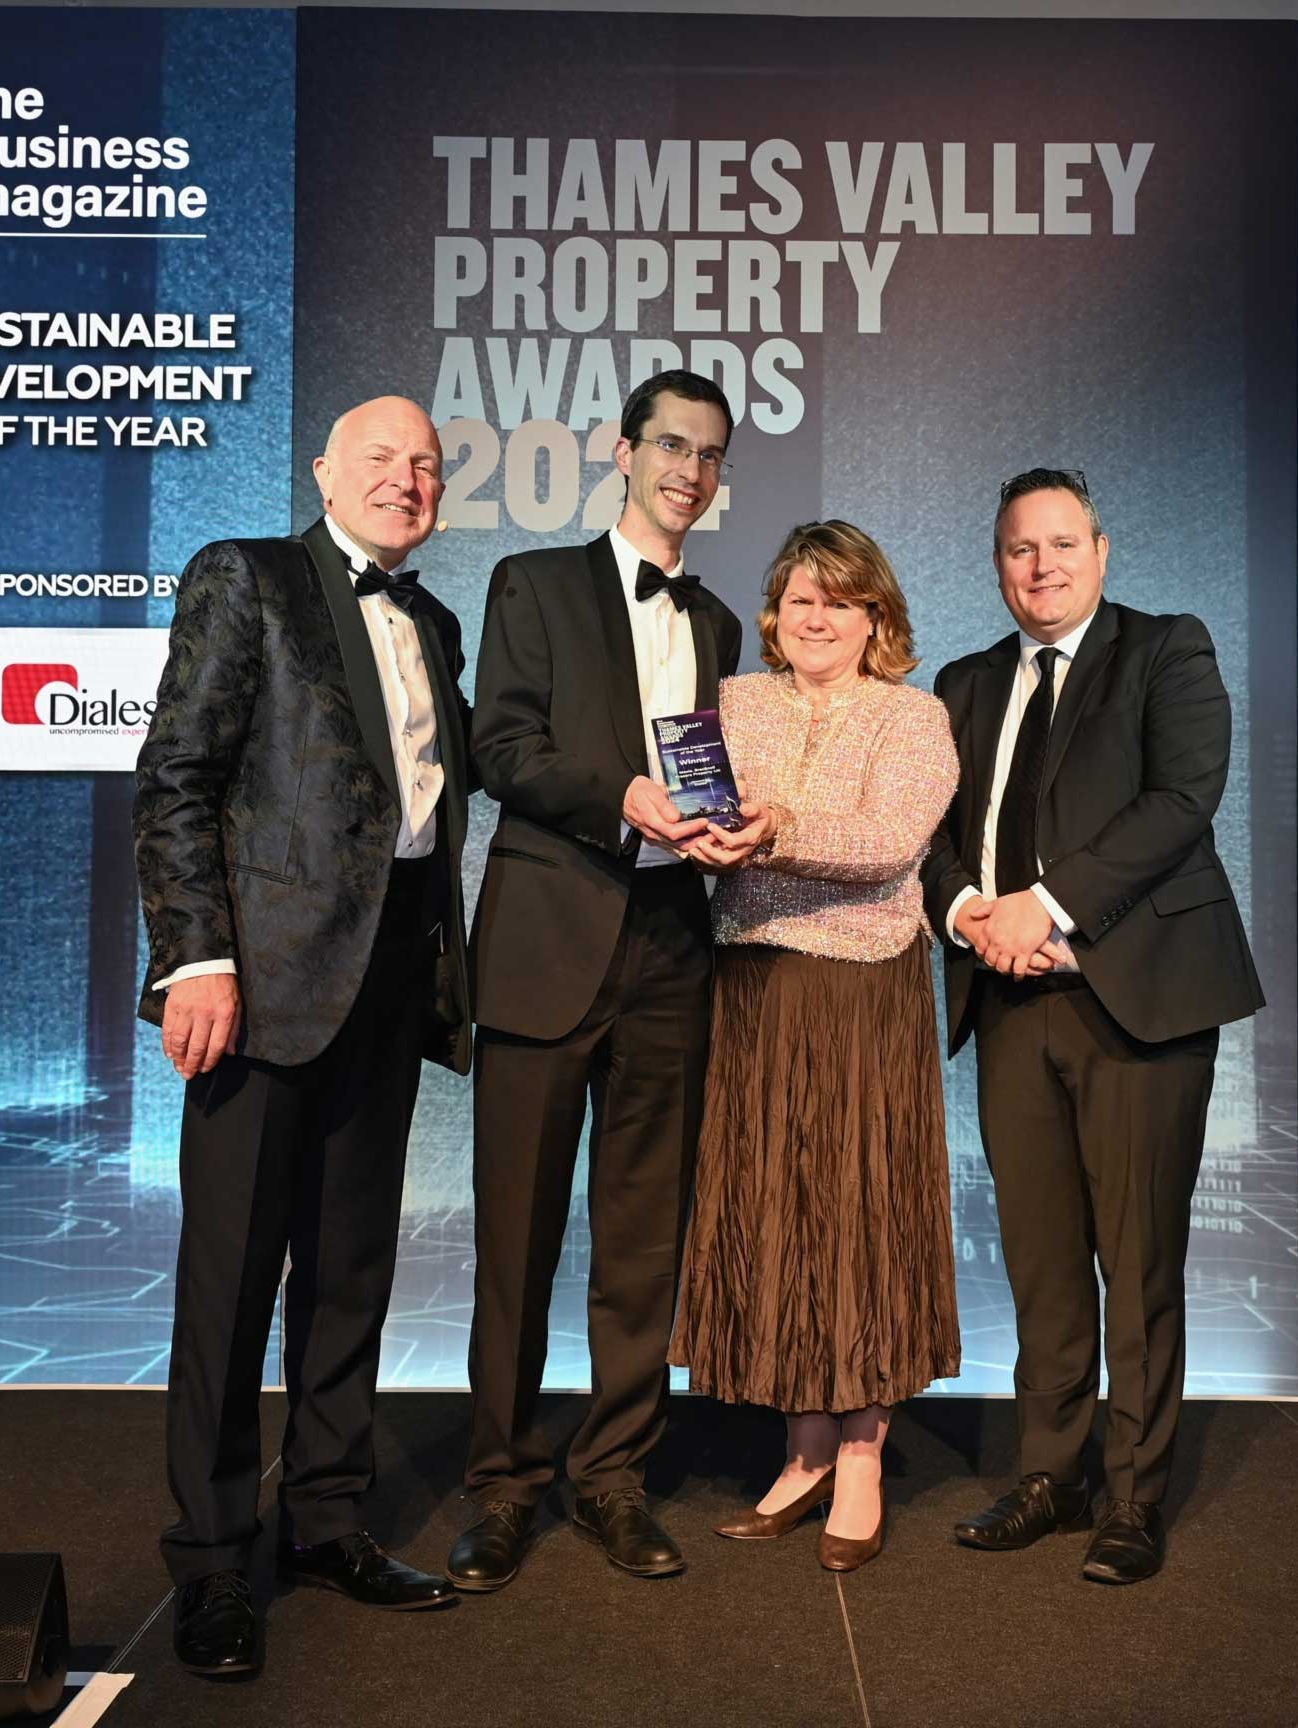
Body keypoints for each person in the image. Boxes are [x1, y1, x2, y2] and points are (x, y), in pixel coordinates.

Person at [134, 396, 471, 1676]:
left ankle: (327, 1518)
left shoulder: (434, 621)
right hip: (255, 987)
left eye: (427, 465)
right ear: (322, 470)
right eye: (381, 459)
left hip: (389, 984)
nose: (406, 479)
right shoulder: (249, 577)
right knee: (229, 1286)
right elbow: (176, 778)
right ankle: (214, 1558)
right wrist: (197, 960)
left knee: (349, 1272)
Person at [921, 467, 1263, 1586]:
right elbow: (928, 835)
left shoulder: (1167, 650)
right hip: (1011, 1001)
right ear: (997, 564)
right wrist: (972, 913)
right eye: (1021, 548)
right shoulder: (967, 685)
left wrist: (1046, 903)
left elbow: (1181, 800)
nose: (1043, 566)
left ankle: (1133, 1498)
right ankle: (1049, 1477)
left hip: (1140, 1004)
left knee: (1138, 1262)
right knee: (1042, 1264)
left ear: (1101, 552)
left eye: (1063, 544)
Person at [448, 371, 746, 1590]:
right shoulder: (534, 584)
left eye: (710, 454)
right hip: (542, 949)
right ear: (620, 453)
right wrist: (620, 802)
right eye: (669, 444)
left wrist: (734, 828)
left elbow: (712, 778)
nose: (688, 467)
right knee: (515, 1242)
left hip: (674, 956)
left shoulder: (722, 622)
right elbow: (499, 749)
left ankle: (614, 1475)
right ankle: (505, 1485)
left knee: (643, 1243)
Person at [668, 521, 961, 1573]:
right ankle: (799, 1450)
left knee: (858, 1214)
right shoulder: (732, 704)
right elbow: (701, 820)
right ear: (773, 616)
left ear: (875, 616)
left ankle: (865, 1454)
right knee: (774, 1212)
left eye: (841, 601)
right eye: (800, 601)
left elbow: (888, 844)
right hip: (749, 980)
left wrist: (777, 825)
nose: (818, 619)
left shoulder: (915, 717)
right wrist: (696, 835)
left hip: (861, 988)